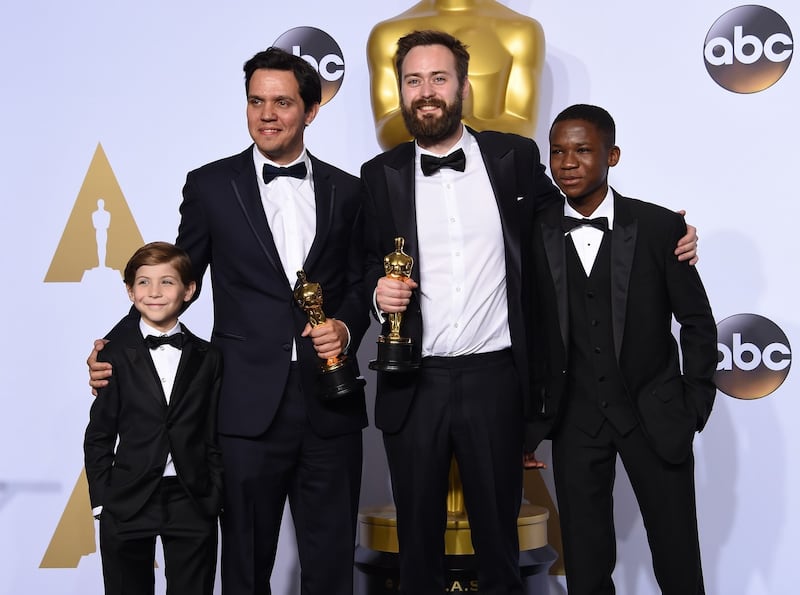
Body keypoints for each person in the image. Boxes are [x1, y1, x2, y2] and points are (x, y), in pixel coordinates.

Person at [362, 29, 697, 595]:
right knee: (417, 549)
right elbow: (359, 266)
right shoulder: (379, 175)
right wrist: (376, 297)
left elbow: (577, 216)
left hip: (496, 378)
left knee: (500, 545)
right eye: (413, 80)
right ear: (400, 90)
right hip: (413, 380)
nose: (426, 92)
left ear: (464, 86)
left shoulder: (512, 158)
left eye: (438, 78)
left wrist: (670, 234)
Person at [88, 48, 368, 595]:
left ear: (310, 111)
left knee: (331, 560)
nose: (267, 114)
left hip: (330, 402)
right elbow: (174, 282)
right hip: (241, 406)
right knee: (243, 562)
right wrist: (116, 350)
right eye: (256, 101)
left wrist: (347, 326)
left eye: (282, 102)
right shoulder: (211, 186)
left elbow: (360, 281)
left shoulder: (349, 190)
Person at [525, 104, 717, 594]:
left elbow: (696, 322)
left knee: (677, 558)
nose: (567, 162)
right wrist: (530, 419)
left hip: (655, 415)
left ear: (612, 155)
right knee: (585, 567)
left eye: (583, 151)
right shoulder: (533, 231)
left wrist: (693, 405)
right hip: (574, 422)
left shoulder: (659, 228)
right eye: (558, 152)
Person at [84, 241, 223, 595]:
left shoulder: (208, 357)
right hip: (128, 500)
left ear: (189, 290)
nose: (155, 292)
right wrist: (102, 501)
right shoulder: (111, 354)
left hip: (191, 498)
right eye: (144, 283)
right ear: (130, 291)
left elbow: (213, 431)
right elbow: (99, 434)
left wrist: (215, 494)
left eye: (167, 282)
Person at [367, 0, 545, 149]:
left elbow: (522, 128)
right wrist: (449, 113)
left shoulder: (520, 30)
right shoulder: (387, 34)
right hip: (411, 180)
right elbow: (386, 132)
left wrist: (466, 119)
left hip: (492, 179)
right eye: (414, 81)